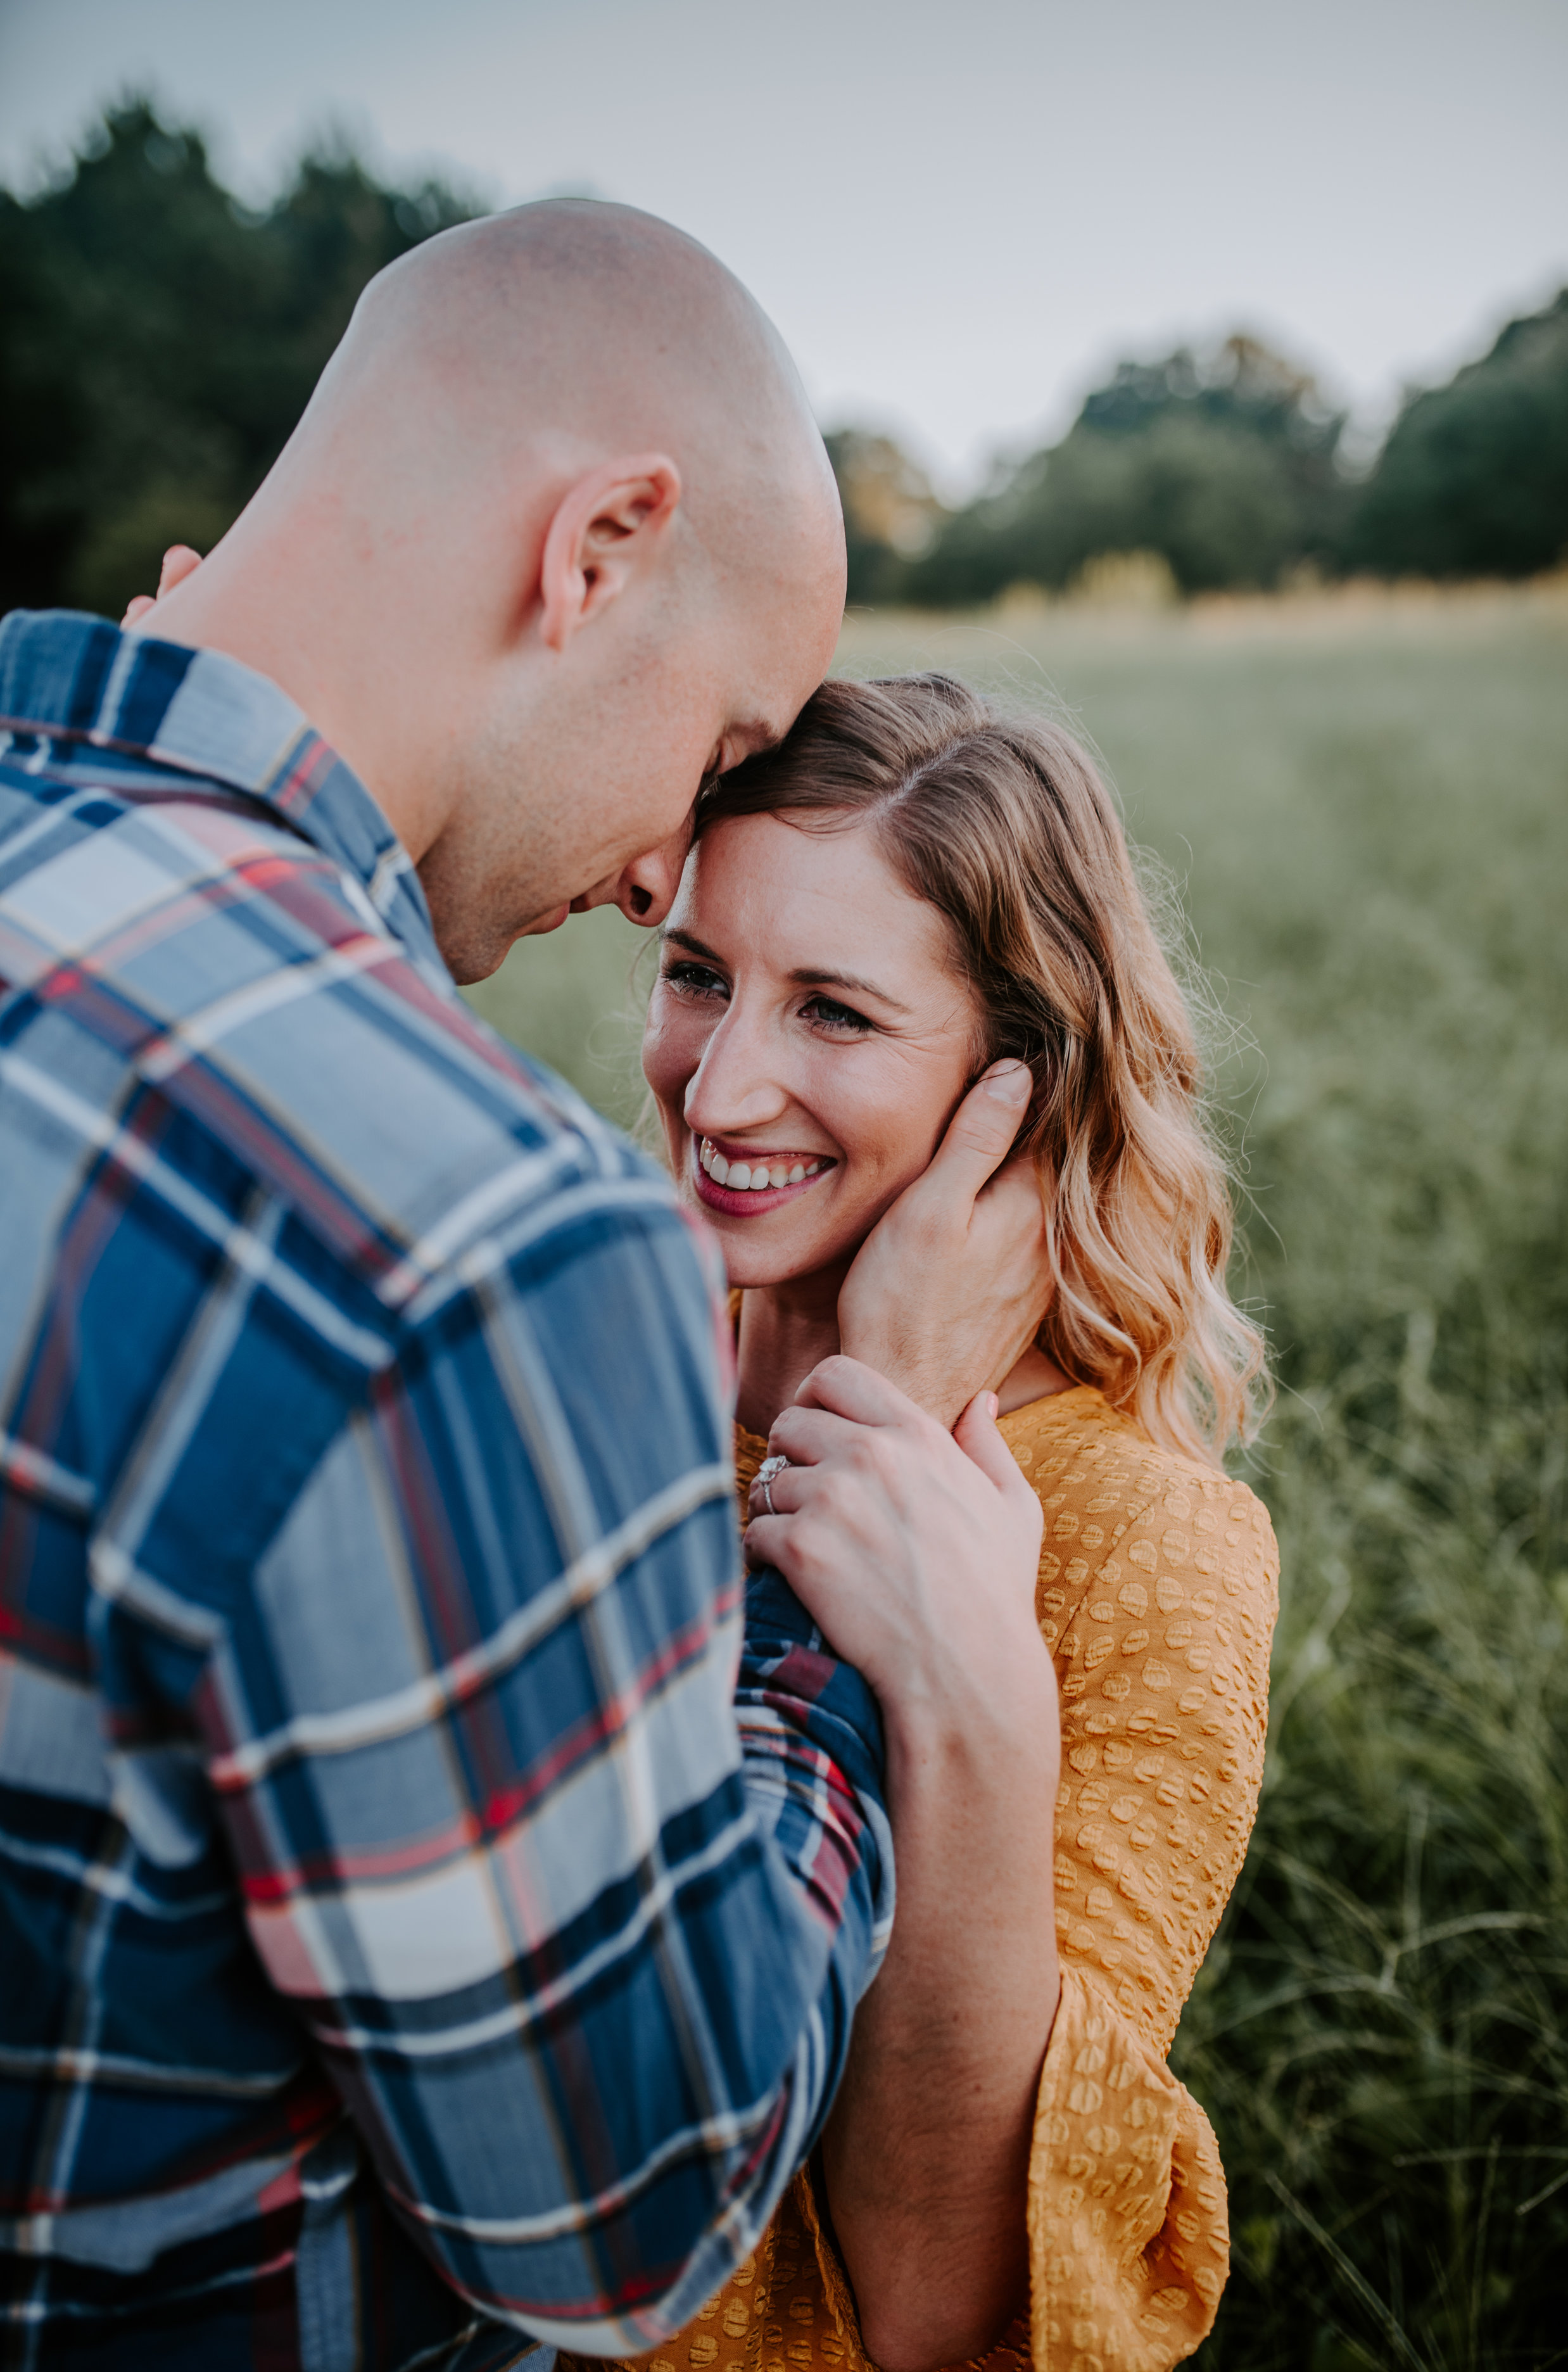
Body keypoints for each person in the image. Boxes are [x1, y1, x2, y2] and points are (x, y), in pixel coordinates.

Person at [0, 207, 1052, 2369]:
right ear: (596, 550)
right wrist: (819, 1628)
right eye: (720, 739)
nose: (665, 863)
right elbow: (626, 2220)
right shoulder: (473, 1245)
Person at [579, 673, 1279, 2372]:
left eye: (834, 1011)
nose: (717, 1089)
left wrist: (973, 1701)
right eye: (697, 975)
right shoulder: (576, 1362)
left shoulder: (1144, 1547)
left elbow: (938, 2298)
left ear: (1014, 1087)